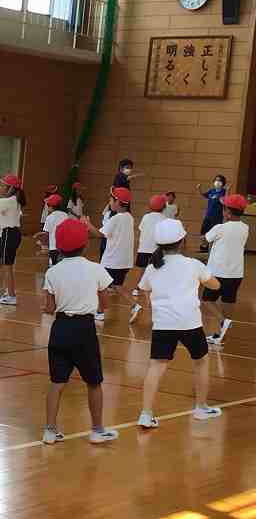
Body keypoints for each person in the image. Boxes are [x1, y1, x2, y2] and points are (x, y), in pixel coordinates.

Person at [136, 219, 222, 428]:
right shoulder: (193, 265)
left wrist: (151, 301)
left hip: (163, 324)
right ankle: (201, 408)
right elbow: (215, 284)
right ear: (182, 241)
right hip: (190, 323)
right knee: (201, 361)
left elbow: (143, 289)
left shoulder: (152, 267)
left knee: (156, 367)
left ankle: (146, 414)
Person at [41, 219, 119, 445]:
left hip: (60, 328)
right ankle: (97, 430)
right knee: (94, 382)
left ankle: (49, 430)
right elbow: (105, 304)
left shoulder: (53, 272)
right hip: (84, 329)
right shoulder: (96, 269)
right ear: (85, 244)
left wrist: (48, 308)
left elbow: (49, 307)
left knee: (57, 382)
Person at [83, 187, 141, 323]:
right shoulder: (129, 217)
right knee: (117, 286)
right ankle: (134, 305)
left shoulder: (116, 219)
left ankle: (100, 312)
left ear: (117, 202)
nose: (109, 202)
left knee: (101, 285)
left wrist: (87, 224)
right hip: (124, 261)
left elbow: (100, 234)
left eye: (111, 199)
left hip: (112, 260)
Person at [203, 193, 249, 347]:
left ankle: (224, 322)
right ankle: (221, 334)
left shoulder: (220, 227)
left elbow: (206, 238)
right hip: (236, 273)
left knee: (207, 300)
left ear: (227, 212)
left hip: (217, 272)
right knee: (228, 302)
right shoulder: (245, 227)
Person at [0, 173, 25, 305]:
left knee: (7, 267)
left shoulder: (7, 201)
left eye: (4, 185)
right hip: (13, 234)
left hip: (9, 234)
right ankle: (10, 293)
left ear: (10, 188)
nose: (1, 187)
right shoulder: (15, 200)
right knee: (7, 265)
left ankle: (11, 296)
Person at [198, 174, 229, 252]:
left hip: (217, 217)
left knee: (215, 234)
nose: (217, 182)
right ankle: (204, 247)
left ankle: (212, 249)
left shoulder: (224, 191)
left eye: (219, 181)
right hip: (208, 216)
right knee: (203, 232)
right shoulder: (211, 191)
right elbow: (204, 195)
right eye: (216, 180)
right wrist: (199, 189)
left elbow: (225, 201)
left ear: (223, 183)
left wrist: (227, 192)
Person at [35, 193, 68, 266]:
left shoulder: (50, 217)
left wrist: (43, 246)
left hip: (54, 248)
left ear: (50, 206)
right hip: (65, 248)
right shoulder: (65, 215)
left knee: (53, 268)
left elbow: (46, 234)